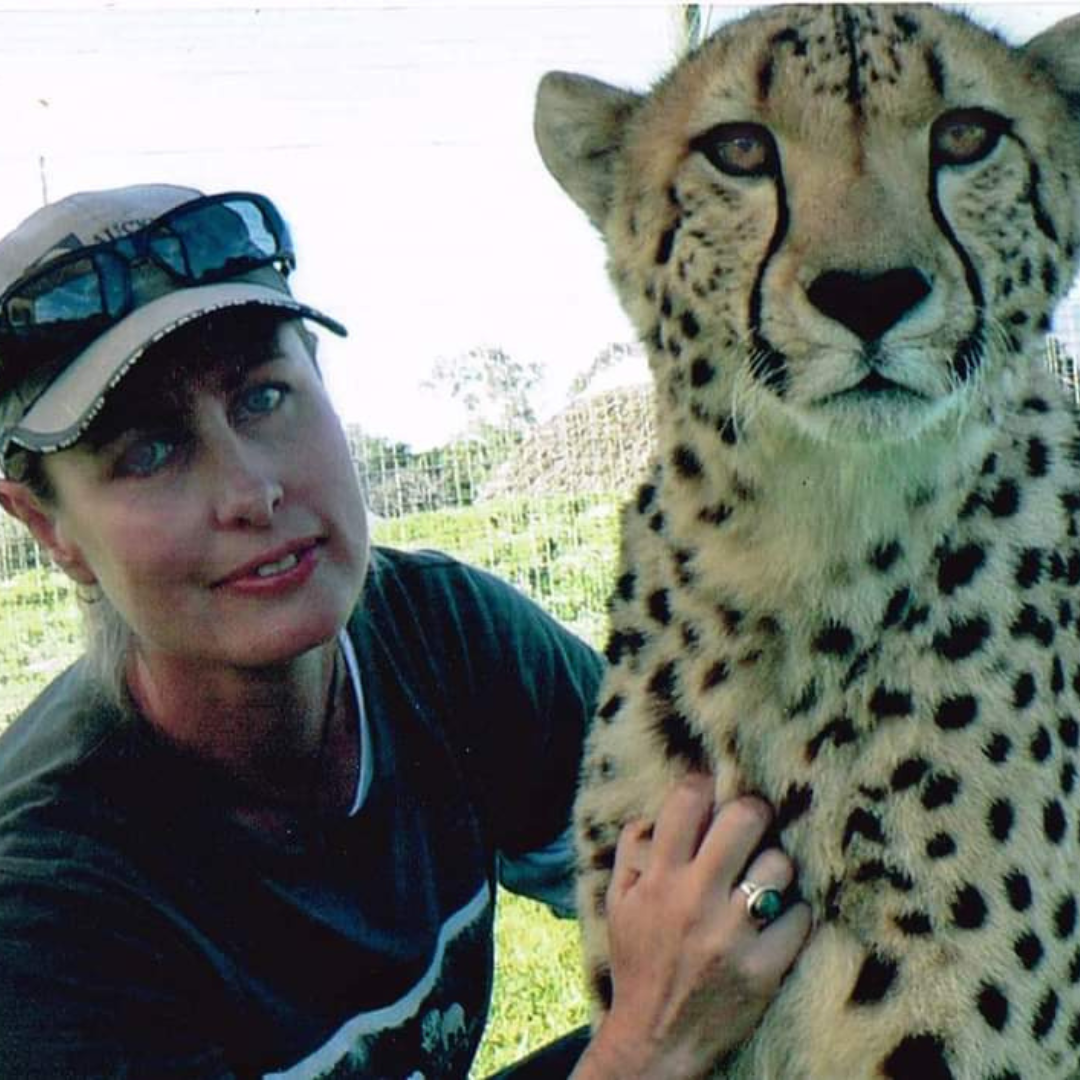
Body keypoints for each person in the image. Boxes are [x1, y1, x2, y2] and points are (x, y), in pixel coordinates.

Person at [0, 183, 811, 1079]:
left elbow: (717, 861)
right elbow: (657, 1034)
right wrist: (647, 1051)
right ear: (52, 530)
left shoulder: (447, 639)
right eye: (148, 452)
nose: (250, 492)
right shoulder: (43, 900)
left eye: (264, 397)